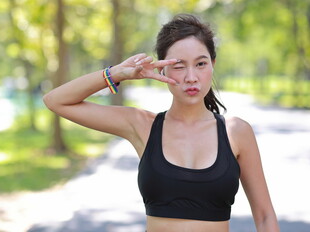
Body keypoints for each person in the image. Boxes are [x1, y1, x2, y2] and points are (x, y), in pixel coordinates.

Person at [43, 14, 279, 232]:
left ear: (213, 64)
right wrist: (118, 73)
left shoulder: (235, 132)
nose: (191, 77)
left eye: (200, 64)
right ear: (162, 68)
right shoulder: (142, 125)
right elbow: (56, 101)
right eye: (178, 66)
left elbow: (265, 215)